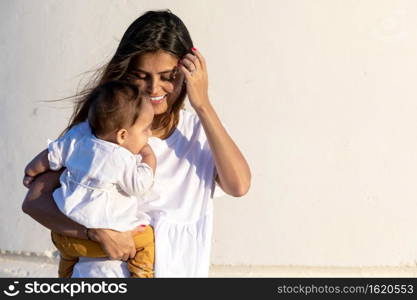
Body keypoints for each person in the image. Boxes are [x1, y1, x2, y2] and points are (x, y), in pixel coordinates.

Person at [22, 9, 251, 277]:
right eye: (142, 76)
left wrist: (202, 103)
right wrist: (94, 234)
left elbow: (239, 185)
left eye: (168, 76)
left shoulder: (198, 132)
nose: (154, 89)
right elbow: (35, 201)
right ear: (125, 72)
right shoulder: (99, 132)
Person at [23, 81, 156, 278]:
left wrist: (31, 171)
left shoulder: (78, 135)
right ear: (122, 135)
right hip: (109, 241)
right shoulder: (122, 159)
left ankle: (66, 276)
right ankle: (141, 275)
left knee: (67, 255)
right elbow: (140, 186)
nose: (149, 134)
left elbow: (50, 154)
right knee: (146, 239)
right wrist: (149, 158)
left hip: (67, 235)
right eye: (145, 130)